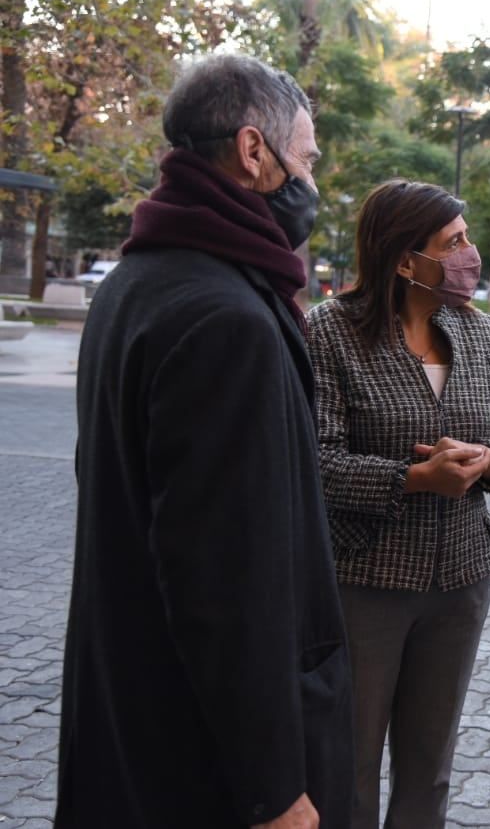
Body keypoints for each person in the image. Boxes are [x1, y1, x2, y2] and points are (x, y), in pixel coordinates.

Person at [57, 55, 352, 829]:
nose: (312, 183)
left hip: (135, 711)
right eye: (308, 160)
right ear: (255, 153)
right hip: (206, 763)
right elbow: (225, 580)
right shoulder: (228, 319)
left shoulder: (138, 280)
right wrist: (274, 787)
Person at [305, 179, 490, 829]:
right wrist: (411, 478)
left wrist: (489, 460)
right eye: (453, 242)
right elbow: (313, 462)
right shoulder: (331, 331)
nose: (471, 253)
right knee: (349, 767)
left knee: (429, 767)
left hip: (460, 581)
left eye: (468, 237)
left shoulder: (481, 332)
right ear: (405, 259)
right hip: (365, 583)